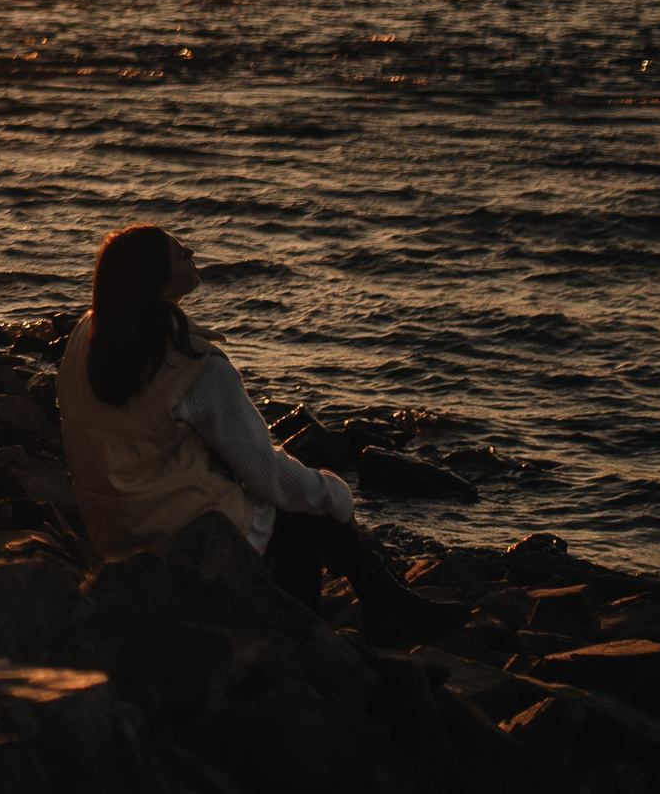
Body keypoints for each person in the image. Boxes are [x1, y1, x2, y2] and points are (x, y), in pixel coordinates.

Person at [56, 225, 466, 643]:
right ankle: (318, 633)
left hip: (115, 527)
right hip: (175, 532)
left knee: (295, 508)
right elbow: (263, 471)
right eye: (181, 253)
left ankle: (367, 611)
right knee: (308, 511)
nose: (192, 250)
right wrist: (335, 494)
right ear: (160, 281)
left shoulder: (86, 337)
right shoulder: (196, 365)